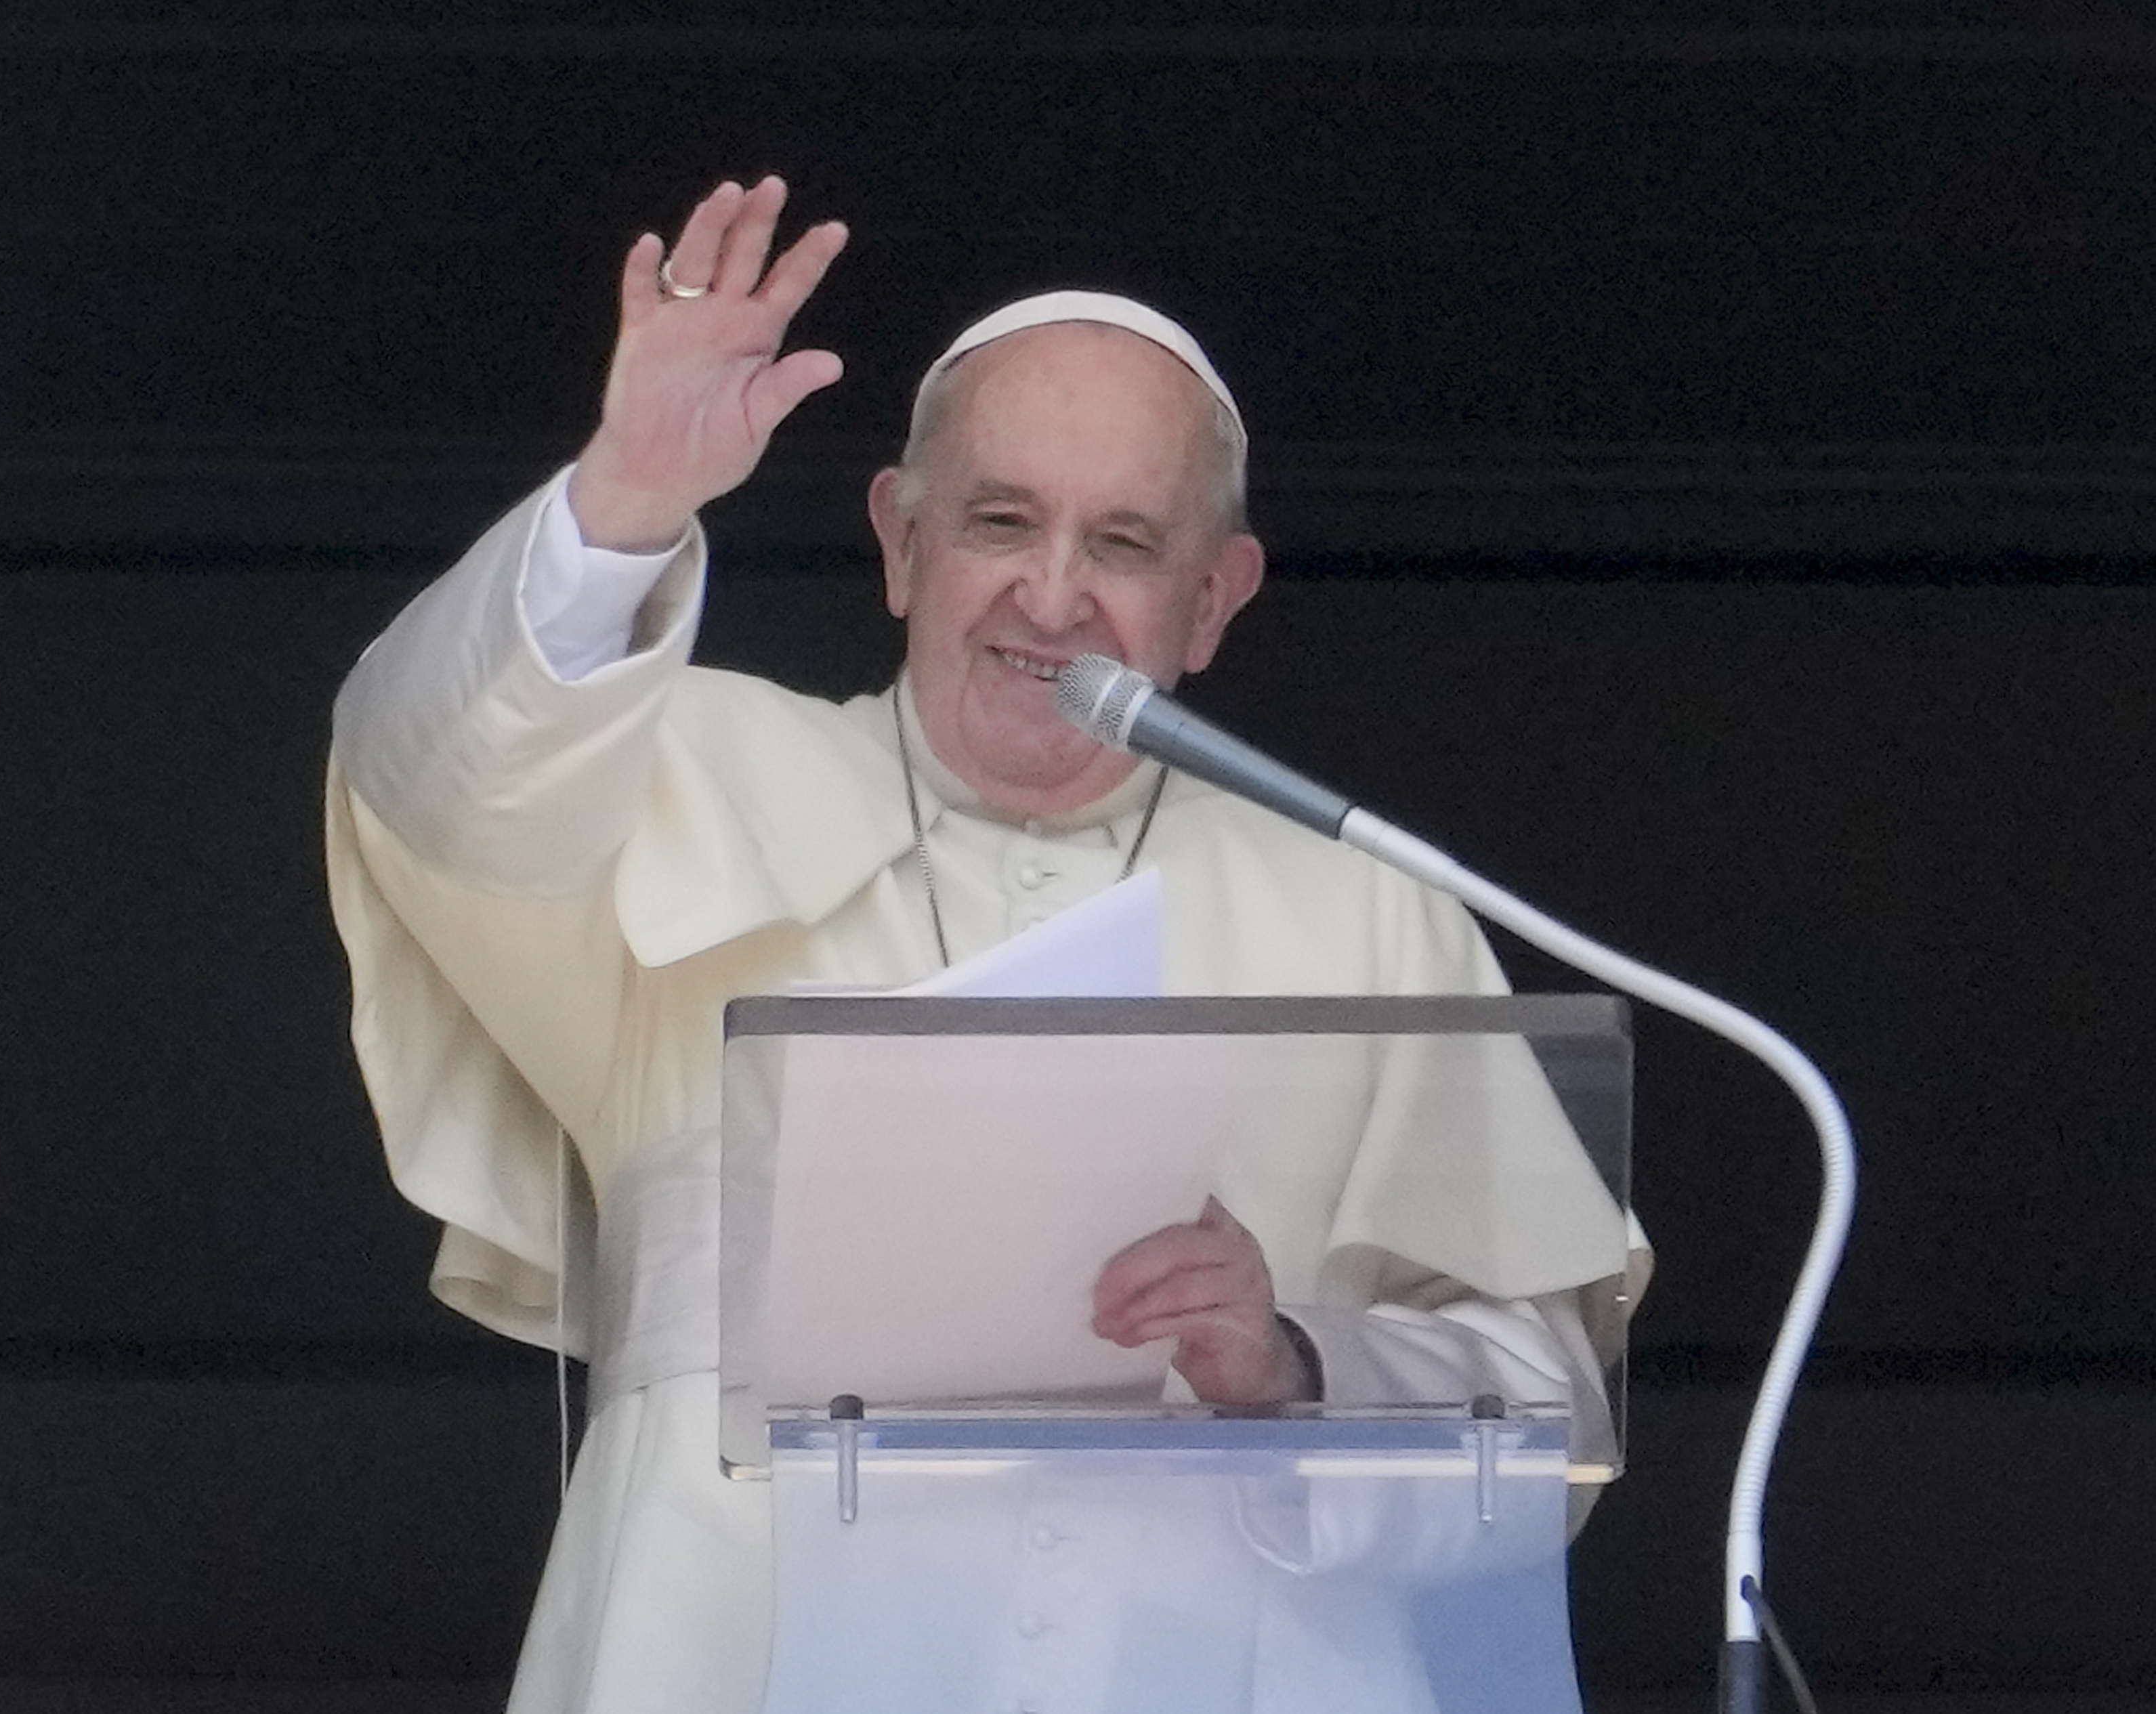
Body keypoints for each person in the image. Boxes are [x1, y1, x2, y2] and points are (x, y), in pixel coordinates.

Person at [327, 177, 1639, 1714]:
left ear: (1212, 601)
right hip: (728, 1655)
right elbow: (424, 780)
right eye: (1000, 522)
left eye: (1126, 544)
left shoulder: (1363, 904)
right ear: (899, 541)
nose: (1053, 593)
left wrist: (1291, 1363)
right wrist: (623, 498)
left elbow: (1541, 1420)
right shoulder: (672, 775)